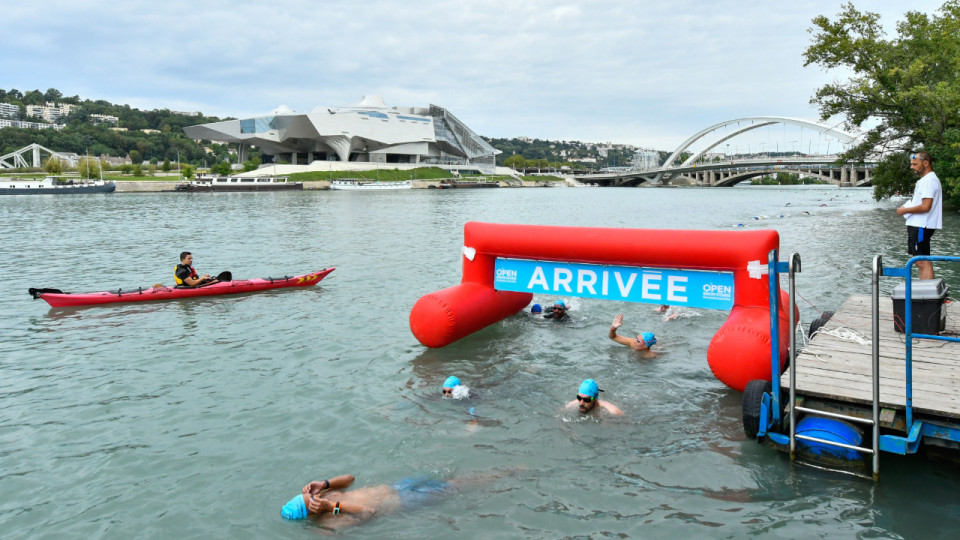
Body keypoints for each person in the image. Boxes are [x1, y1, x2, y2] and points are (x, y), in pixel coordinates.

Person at [281, 472, 495, 529]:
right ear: (311, 513)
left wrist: (325, 484)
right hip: (404, 500)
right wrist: (332, 507)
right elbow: (368, 513)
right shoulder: (330, 521)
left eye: (311, 495)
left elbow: (350, 479)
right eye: (312, 501)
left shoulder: (324, 495)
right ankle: (498, 476)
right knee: (454, 486)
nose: (316, 497)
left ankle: (491, 476)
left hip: (395, 486)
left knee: (446, 479)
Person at [896, 151, 942, 280]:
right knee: (918, 261)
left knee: (922, 261)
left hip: (922, 225)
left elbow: (925, 206)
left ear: (926, 163)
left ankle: (927, 295)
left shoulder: (929, 181)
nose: (912, 167)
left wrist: (905, 210)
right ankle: (925, 291)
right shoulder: (925, 180)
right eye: (911, 164)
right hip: (917, 224)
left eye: (915, 164)